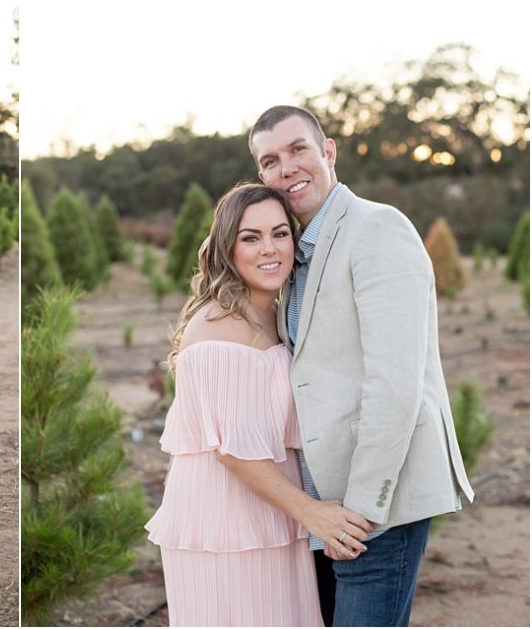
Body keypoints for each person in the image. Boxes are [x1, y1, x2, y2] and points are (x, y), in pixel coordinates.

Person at [249, 105, 475, 626]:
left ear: (328, 152)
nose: (285, 169)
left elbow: (395, 384)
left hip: (375, 502)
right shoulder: (292, 255)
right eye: (269, 161)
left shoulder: (377, 229)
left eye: (298, 149)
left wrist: (363, 509)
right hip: (322, 505)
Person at [146, 183, 371, 627]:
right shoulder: (218, 328)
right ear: (227, 248)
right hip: (225, 524)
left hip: (272, 512)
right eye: (251, 237)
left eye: (280, 234)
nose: (269, 249)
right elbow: (235, 450)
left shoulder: (273, 313)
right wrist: (315, 515)